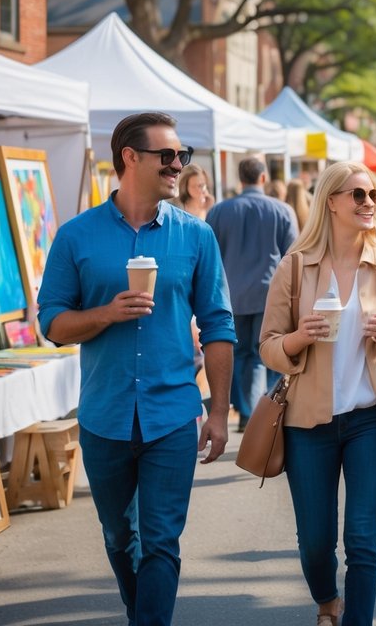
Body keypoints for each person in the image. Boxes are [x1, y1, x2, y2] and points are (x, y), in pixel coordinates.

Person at [37, 112, 235, 626]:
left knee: (162, 540)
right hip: (104, 415)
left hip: (172, 413)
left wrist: (218, 412)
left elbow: (218, 327)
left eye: (181, 157)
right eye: (166, 156)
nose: (178, 166)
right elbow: (53, 323)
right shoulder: (76, 236)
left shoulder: (196, 237)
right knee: (119, 537)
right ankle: (140, 612)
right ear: (129, 158)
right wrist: (106, 313)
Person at [260, 161, 376, 626]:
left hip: (372, 420)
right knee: (314, 542)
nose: (369, 203)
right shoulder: (296, 266)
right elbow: (268, 346)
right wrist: (299, 337)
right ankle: (327, 600)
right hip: (307, 424)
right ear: (330, 201)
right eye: (357, 195)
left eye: (374, 194)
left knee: (362, 541)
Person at [206, 157, 299, 431]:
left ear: (240, 179)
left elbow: (210, 255)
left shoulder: (219, 211)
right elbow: (293, 256)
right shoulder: (281, 210)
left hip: (230, 295)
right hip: (270, 295)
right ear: (263, 178)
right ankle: (260, 409)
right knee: (264, 354)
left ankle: (248, 409)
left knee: (240, 354)